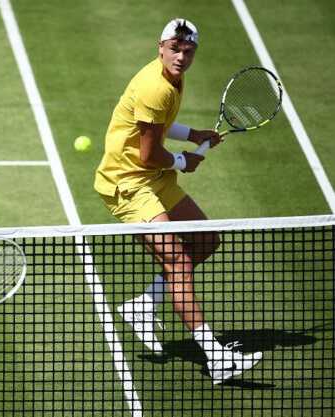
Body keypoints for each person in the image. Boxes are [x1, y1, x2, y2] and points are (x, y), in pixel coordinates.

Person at [94, 18, 262, 384]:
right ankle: (216, 358)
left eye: (188, 51)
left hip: (152, 177)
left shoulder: (172, 78)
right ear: (160, 47)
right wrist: (184, 161)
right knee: (179, 262)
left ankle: (144, 305)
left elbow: (158, 125)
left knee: (206, 239)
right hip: (128, 184)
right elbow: (149, 153)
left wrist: (193, 134)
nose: (181, 57)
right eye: (175, 49)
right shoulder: (156, 86)